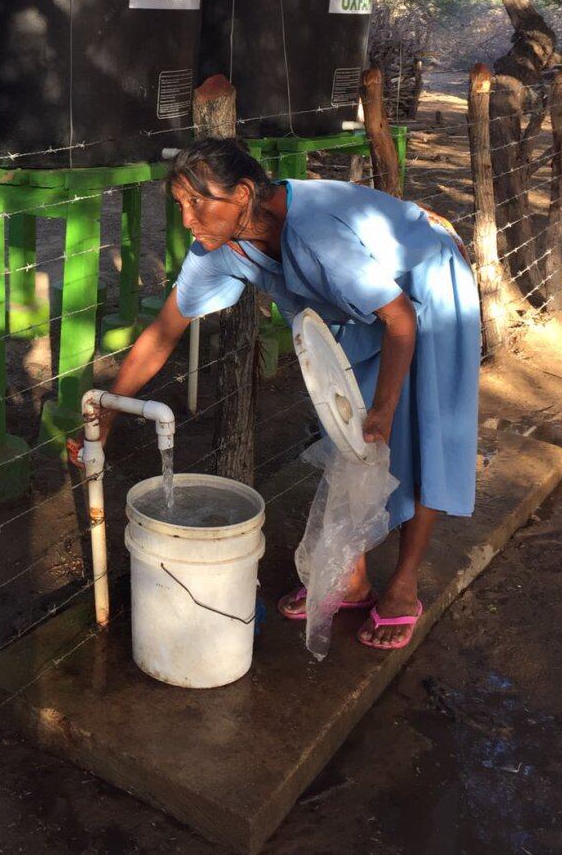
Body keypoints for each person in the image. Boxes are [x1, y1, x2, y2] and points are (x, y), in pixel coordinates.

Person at [67, 136, 480, 652]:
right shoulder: (222, 248)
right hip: (363, 313)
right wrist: (110, 408)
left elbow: (399, 318)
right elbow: (165, 331)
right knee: (348, 436)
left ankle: (403, 585)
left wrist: (385, 407)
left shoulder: (314, 232)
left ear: (242, 194)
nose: (188, 221)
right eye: (180, 207)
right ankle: (348, 579)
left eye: (197, 203)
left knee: (422, 435)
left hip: (425, 292)